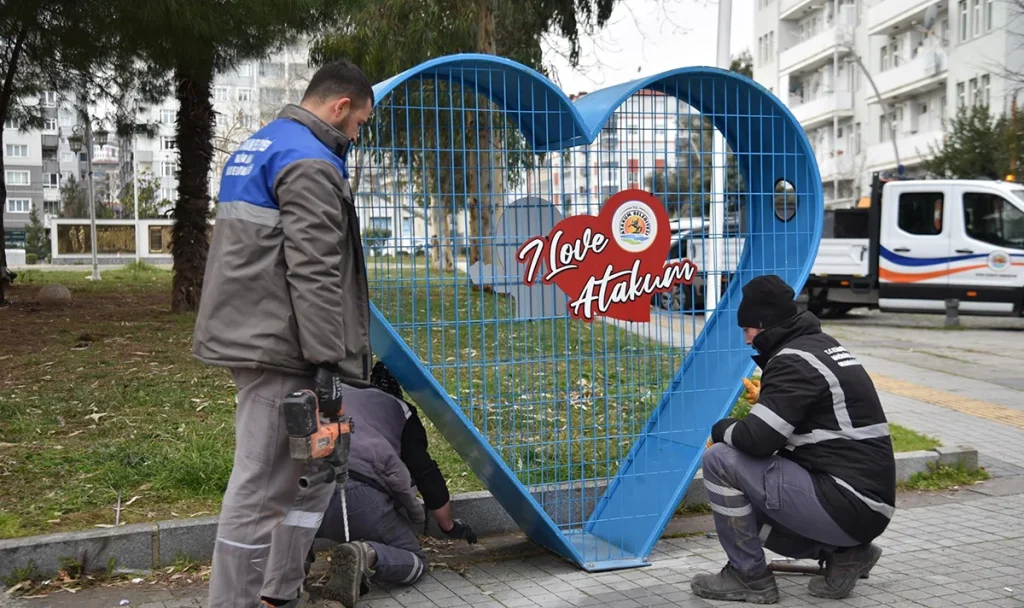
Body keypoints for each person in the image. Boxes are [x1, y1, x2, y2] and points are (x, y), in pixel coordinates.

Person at [191, 58, 375, 608]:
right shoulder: (311, 162)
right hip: (284, 348)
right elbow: (314, 271)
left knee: (310, 472)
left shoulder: (263, 145)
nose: (358, 133)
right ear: (341, 106)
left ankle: (280, 590)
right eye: (360, 122)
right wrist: (327, 365)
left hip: (257, 336)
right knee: (262, 483)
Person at [690, 274, 895, 604]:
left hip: (849, 501)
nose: (746, 340)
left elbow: (756, 441)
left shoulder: (793, 361)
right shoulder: (820, 347)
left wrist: (720, 430)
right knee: (744, 503)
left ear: (765, 323)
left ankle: (749, 577)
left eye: (747, 329)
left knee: (720, 461)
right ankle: (846, 554)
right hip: (862, 503)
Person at [312, 361, 478, 606]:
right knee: (416, 560)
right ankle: (367, 554)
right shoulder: (399, 408)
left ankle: (288, 579)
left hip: (302, 489)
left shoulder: (331, 394)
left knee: (294, 538)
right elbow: (425, 474)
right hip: (358, 495)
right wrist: (447, 525)